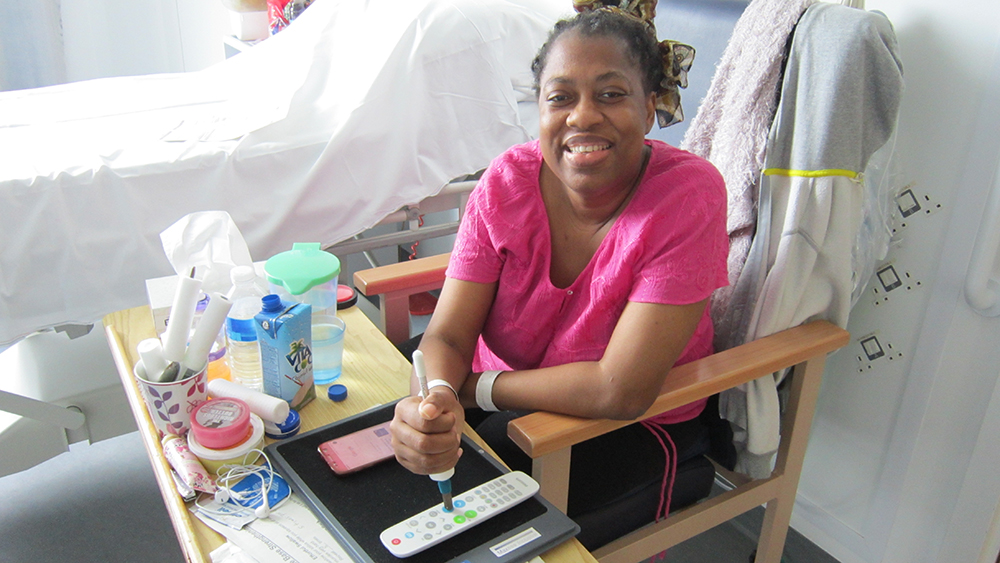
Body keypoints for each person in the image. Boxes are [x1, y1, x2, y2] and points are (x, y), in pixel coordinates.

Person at [389, 5, 729, 548]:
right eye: (561, 97)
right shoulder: (505, 184)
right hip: (507, 390)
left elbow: (620, 389)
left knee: (473, 528)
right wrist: (431, 402)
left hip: (635, 423)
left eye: (611, 94)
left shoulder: (688, 197)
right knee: (392, 477)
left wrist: (474, 391)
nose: (583, 116)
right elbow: (449, 337)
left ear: (649, 107)